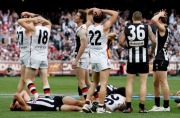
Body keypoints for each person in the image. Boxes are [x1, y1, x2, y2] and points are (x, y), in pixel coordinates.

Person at [119, 11, 156, 113]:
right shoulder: (146, 27)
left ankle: (128, 107)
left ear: (132, 18)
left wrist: (128, 47)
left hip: (132, 59)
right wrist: (151, 52)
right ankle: (142, 107)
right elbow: (154, 41)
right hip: (143, 59)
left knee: (130, 83)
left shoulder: (127, 27)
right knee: (143, 83)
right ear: (141, 18)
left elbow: (120, 42)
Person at [82, 8, 118, 113]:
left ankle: (87, 103)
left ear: (93, 17)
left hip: (93, 58)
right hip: (102, 57)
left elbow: (87, 12)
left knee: (94, 83)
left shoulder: (89, 27)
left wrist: (93, 10)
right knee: (103, 84)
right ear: (102, 18)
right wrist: (102, 10)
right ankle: (101, 107)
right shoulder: (104, 27)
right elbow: (115, 13)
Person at [18, 14, 52, 99]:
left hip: (34, 56)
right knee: (45, 81)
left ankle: (36, 96)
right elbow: (48, 22)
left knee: (27, 79)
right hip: (44, 57)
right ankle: (48, 100)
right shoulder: (47, 28)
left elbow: (19, 21)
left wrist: (33, 18)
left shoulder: (33, 29)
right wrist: (40, 19)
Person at [149, 9, 171, 112]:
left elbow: (153, 20)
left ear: (160, 19)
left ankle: (166, 106)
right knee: (155, 83)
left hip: (161, 58)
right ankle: (157, 105)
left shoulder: (163, 28)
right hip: (158, 57)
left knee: (163, 82)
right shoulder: (162, 28)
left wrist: (159, 14)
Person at [72, 9, 91, 101]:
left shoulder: (82, 30)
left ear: (81, 19)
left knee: (81, 81)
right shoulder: (83, 28)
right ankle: (97, 99)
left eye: (77, 15)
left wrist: (76, 59)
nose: (75, 16)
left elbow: (83, 45)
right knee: (87, 82)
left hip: (82, 57)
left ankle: (87, 103)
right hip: (85, 56)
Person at [16, 12, 36, 94]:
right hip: (28, 53)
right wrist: (30, 15)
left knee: (22, 79)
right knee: (30, 79)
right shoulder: (27, 28)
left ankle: (17, 96)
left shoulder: (18, 28)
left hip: (22, 53)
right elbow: (36, 17)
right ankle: (26, 98)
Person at [10, 90, 84, 111]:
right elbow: (17, 95)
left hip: (55, 99)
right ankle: (90, 110)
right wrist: (13, 103)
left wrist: (14, 103)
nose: (17, 102)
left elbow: (23, 92)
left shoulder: (29, 101)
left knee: (77, 102)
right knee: (75, 108)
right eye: (17, 104)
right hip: (56, 107)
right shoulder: (25, 107)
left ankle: (92, 104)